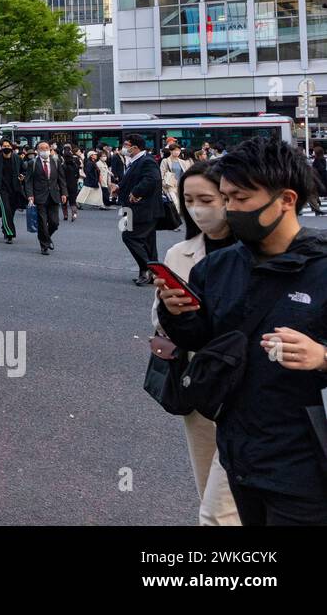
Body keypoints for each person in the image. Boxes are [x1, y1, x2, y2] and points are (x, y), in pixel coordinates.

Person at [157, 138, 327, 525]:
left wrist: (322, 357)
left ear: (286, 199)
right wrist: (178, 314)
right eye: (227, 198)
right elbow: (199, 339)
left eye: (241, 199)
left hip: (307, 464)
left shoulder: (322, 266)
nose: (230, 209)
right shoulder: (218, 267)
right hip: (240, 452)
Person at [149, 161, 240, 526]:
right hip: (197, 382)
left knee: (220, 511)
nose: (198, 208)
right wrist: (173, 313)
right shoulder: (179, 253)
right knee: (208, 489)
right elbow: (157, 321)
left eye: (206, 198)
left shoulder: (254, 252)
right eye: (188, 200)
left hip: (245, 390)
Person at [115, 133, 163, 286]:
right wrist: (119, 188)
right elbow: (132, 180)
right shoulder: (134, 161)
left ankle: (150, 269)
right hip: (131, 208)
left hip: (144, 209)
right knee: (148, 242)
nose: (124, 148)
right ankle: (149, 273)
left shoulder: (147, 161)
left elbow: (152, 179)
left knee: (129, 237)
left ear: (135, 147)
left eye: (126, 145)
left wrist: (136, 192)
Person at [0, 139, 23, 244]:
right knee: (6, 209)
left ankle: (5, 226)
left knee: (11, 211)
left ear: (11, 146)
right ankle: (9, 233)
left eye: (8, 145)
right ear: (1, 147)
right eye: (4, 146)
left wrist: (22, 176)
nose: (6, 147)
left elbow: (23, 170)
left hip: (14, 188)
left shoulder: (17, 158)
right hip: (1, 189)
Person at [60, 145, 82, 222]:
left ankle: (65, 215)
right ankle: (74, 213)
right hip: (73, 184)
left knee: (64, 201)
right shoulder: (75, 165)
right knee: (73, 201)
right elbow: (78, 175)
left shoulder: (62, 166)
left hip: (64, 185)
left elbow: (60, 176)